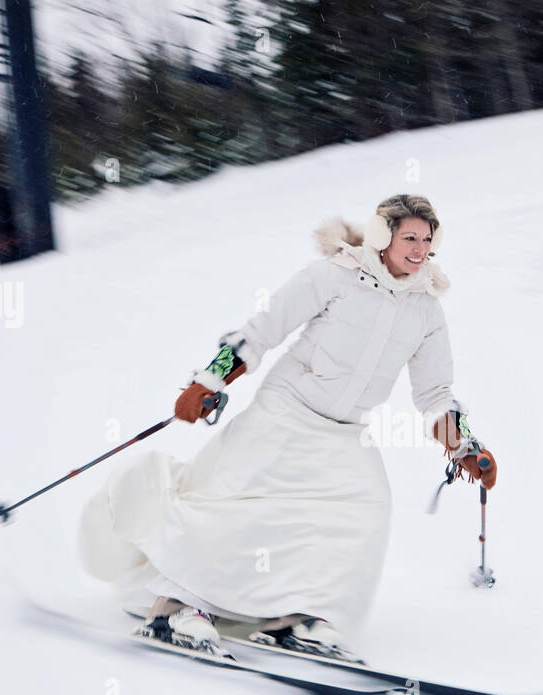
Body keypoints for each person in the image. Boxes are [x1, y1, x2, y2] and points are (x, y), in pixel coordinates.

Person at [76, 194, 498, 656]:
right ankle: (173, 607)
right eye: (409, 237)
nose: (419, 249)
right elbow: (261, 330)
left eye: (427, 240)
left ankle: (299, 617)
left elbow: (434, 393)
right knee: (237, 504)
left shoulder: (426, 309)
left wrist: (463, 446)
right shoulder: (333, 275)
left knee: (361, 510)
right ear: (382, 236)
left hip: (343, 430)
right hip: (286, 409)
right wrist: (209, 379)